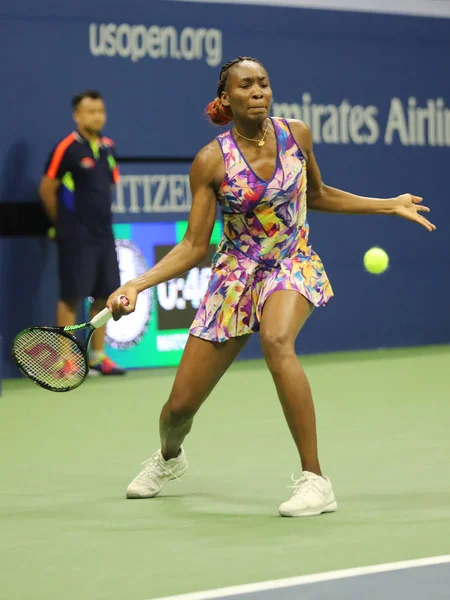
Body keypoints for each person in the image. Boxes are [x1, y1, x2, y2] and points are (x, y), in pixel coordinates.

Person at [107, 57, 435, 516]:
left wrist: (387, 205)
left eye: (264, 83)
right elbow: (195, 245)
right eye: (246, 85)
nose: (259, 90)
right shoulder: (210, 161)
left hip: (291, 261)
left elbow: (316, 195)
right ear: (226, 99)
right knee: (177, 410)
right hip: (235, 276)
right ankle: (169, 459)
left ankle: (315, 480)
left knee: (277, 339)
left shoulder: (296, 134)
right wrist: (138, 284)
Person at [39, 90, 125, 376]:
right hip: (76, 236)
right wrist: (63, 224)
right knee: (71, 296)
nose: (97, 116)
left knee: (105, 296)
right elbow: (47, 189)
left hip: (104, 234)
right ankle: (64, 361)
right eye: (90, 112)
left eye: (100, 111)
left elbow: (109, 185)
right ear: (77, 115)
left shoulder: (108, 147)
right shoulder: (67, 148)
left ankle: (97, 357)